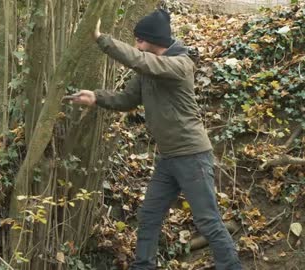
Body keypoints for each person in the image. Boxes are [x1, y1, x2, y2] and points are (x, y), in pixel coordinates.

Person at [67, 9, 242, 270]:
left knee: (207, 221)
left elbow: (142, 62)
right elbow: (127, 100)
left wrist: (101, 38)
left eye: (139, 40)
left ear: (153, 39)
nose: (137, 45)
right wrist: (96, 97)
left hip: (192, 155)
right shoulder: (148, 69)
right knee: (149, 215)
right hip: (168, 158)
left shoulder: (180, 64)